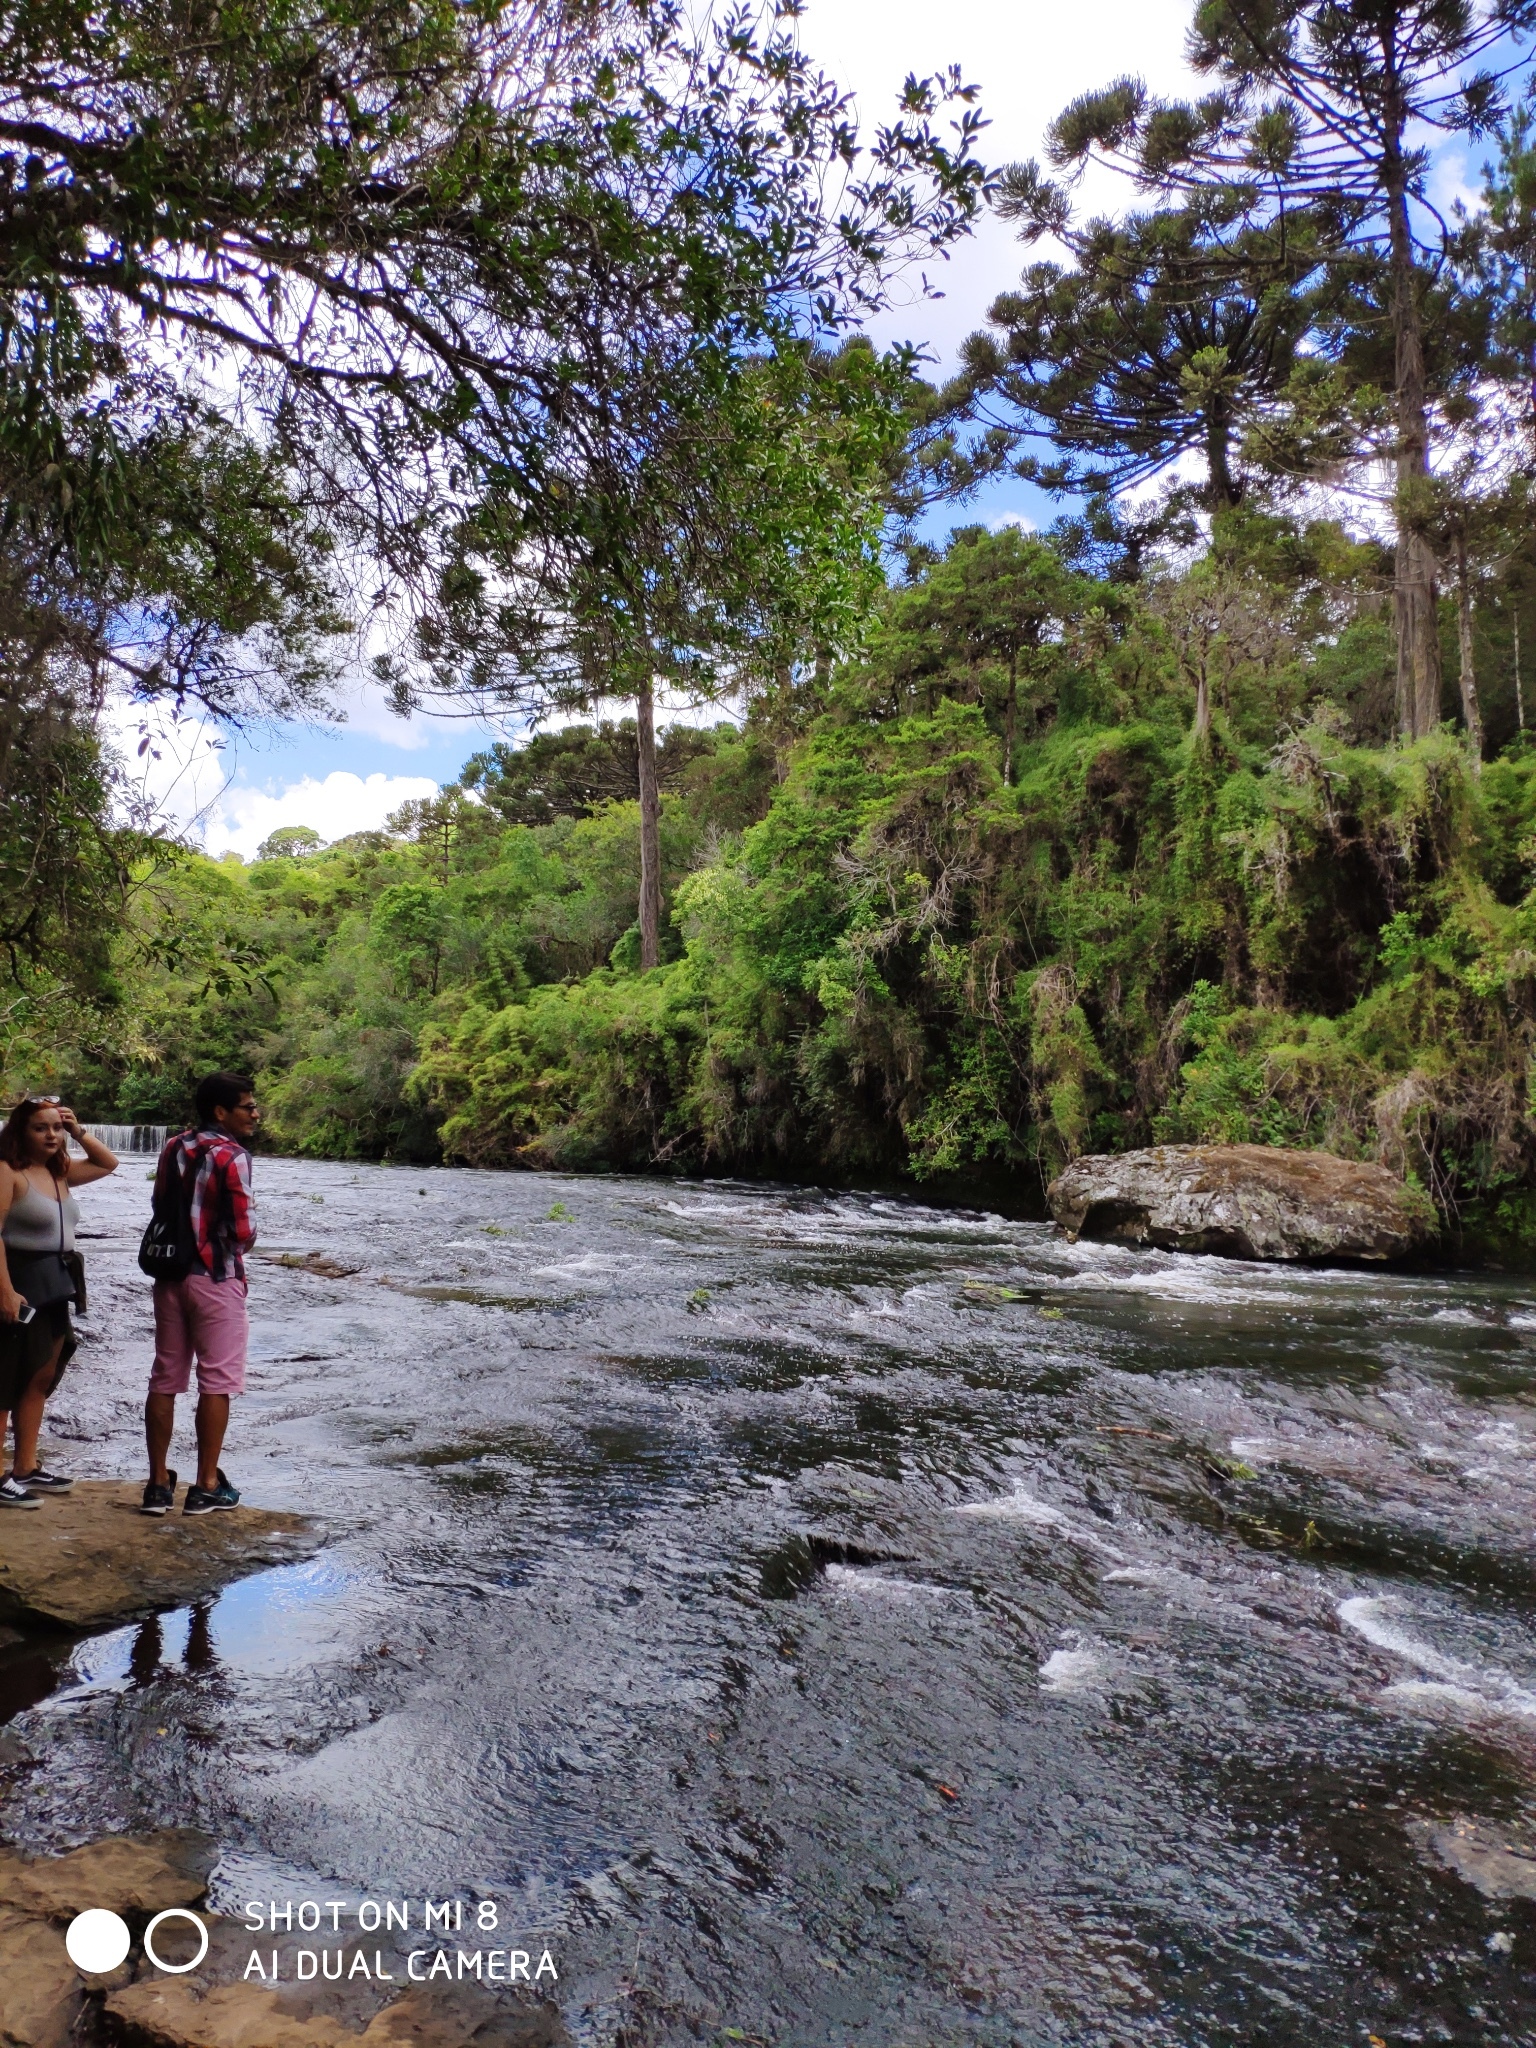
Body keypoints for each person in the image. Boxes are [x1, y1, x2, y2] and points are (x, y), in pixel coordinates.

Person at [143, 1072, 260, 1516]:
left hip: (169, 1274)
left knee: (166, 1376)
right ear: (221, 1112)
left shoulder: (174, 1145)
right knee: (217, 1381)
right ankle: (207, 1484)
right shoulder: (233, 1155)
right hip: (215, 1277)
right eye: (247, 1106)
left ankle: (157, 1485)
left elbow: (159, 1203)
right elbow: (244, 1231)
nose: (255, 1113)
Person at [0, 1097, 118, 1506]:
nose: (51, 1135)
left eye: (56, 1127)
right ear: (20, 1132)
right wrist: (4, 1290)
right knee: (5, 1380)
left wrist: (79, 1130)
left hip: (56, 1281)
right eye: (40, 1127)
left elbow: (107, 1164)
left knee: (41, 1374)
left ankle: (26, 1467)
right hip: (19, 1279)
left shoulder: (58, 1171)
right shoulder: (7, 1172)